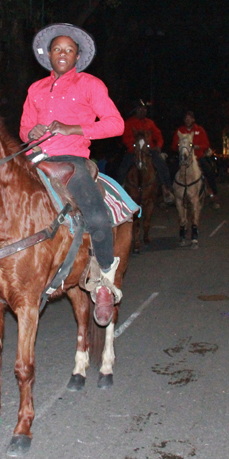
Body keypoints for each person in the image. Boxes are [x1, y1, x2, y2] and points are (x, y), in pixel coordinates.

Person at [20, 23, 124, 326]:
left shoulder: (90, 84)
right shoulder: (35, 89)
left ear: (77, 56)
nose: (62, 53)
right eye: (57, 49)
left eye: (68, 50)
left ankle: (103, 282)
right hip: (34, 159)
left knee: (97, 216)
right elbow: (24, 128)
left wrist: (73, 129)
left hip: (71, 162)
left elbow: (115, 124)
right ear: (49, 55)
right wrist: (31, 132)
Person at [115, 101, 172, 197]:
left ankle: (167, 190)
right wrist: (135, 146)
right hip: (133, 151)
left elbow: (158, 135)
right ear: (136, 110)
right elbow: (125, 139)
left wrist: (158, 146)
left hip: (149, 150)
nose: (143, 111)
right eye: (141, 109)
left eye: (144, 109)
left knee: (162, 165)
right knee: (122, 169)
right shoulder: (129, 123)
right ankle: (119, 191)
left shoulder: (150, 123)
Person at [172, 111, 218, 206]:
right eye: (186, 118)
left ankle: (213, 195)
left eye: (190, 118)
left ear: (193, 119)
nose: (188, 120)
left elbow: (206, 144)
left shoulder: (199, 130)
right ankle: (171, 194)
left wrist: (197, 147)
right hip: (183, 158)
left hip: (198, 157)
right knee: (172, 170)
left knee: (209, 171)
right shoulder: (180, 131)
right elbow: (174, 146)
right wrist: (180, 146)